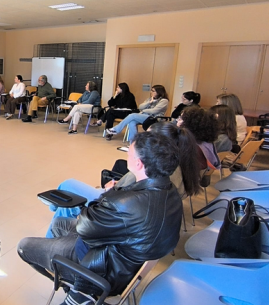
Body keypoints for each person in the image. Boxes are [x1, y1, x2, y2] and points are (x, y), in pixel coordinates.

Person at [17, 131, 182, 305]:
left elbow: (83, 226)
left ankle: (79, 292)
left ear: (139, 163)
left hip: (100, 268)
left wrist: (109, 193)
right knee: (59, 223)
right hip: (123, 261)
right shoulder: (170, 192)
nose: (127, 154)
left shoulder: (126, 204)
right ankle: (70, 280)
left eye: (129, 152)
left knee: (24, 246)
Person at [45, 122, 202, 237]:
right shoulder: (177, 165)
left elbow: (119, 200)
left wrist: (109, 190)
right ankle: (57, 214)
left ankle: (54, 214)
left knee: (68, 185)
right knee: (66, 204)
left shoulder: (147, 170)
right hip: (134, 212)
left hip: (114, 207)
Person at [104, 85, 169, 141]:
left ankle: (116, 129)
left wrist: (144, 111)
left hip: (154, 118)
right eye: (151, 90)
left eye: (153, 91)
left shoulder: (164, 101)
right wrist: (149, 102)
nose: (151, 92)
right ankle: (133, 142)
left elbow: (154, 111)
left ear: (159, 92)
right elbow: (140, 107)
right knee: (132, 122)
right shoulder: (150, 99)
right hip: (145, 116)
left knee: (132, 115)